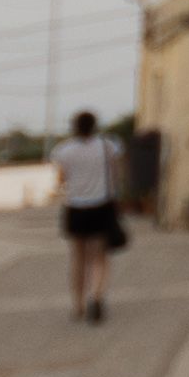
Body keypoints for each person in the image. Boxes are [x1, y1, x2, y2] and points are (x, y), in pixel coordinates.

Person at [49, 109, 128, 323]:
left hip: (75, 207)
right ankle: (97, 296)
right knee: (100, 256)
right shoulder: (108, 145)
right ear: (95, 125)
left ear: (74, 127)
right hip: (101, 206)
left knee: (78, 258)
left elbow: (61, 180)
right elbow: (116, 175)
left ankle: (78, 305)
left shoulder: (63, 150)